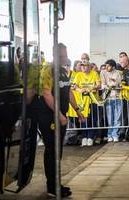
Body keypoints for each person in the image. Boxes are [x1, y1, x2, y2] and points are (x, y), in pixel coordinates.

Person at [38, 43, 84, 197]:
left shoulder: (63, 72)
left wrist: (78, 111)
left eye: (66, 54)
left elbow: (68, 92)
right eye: (62, 55)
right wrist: (58, 115)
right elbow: (46, 94)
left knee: (58, 151)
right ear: (55, 54)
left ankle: (56, 183)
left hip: (61, 116)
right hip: (49, 117)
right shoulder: (48, 70)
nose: (65, 57)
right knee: (52, 150)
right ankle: (52, 186)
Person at [73, 61, 101, 146]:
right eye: (82, 66)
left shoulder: (94, 73)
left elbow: (99, 85)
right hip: (82, 102)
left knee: (93, 119)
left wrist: (91, 87)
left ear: (89, 67)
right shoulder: (78, 75)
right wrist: (80, 90)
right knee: (83, 119)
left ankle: (90, 137)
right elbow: (74, 86)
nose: (83, 67)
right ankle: (84, 136)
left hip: (93, 100)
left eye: (85, 66)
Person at [100, 59, 123, 142]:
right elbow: (103, 83)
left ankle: (115, 134)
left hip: (117, 97)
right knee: (110, 118)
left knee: (117, 117)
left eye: (108, 66)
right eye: (106, 65)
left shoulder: (118, 73)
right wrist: (109, 86)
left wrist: (112, 85)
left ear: (113, 67)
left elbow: (117, 83)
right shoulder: (103, 72)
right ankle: (109, 134)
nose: (106, 67)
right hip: (108, 98)